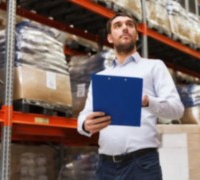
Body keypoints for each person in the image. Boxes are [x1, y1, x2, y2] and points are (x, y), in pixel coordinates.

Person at [77, 13, 184, 180]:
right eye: (117, 26)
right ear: (110, 38)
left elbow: (177, 109)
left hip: (141, 165)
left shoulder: (153, 67)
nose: (124, 27)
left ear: (136, 34)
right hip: (106, 167)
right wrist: (85, 124)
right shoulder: (102, 77)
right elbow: (84, 114)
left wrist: (148, 101)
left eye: (129, 24)